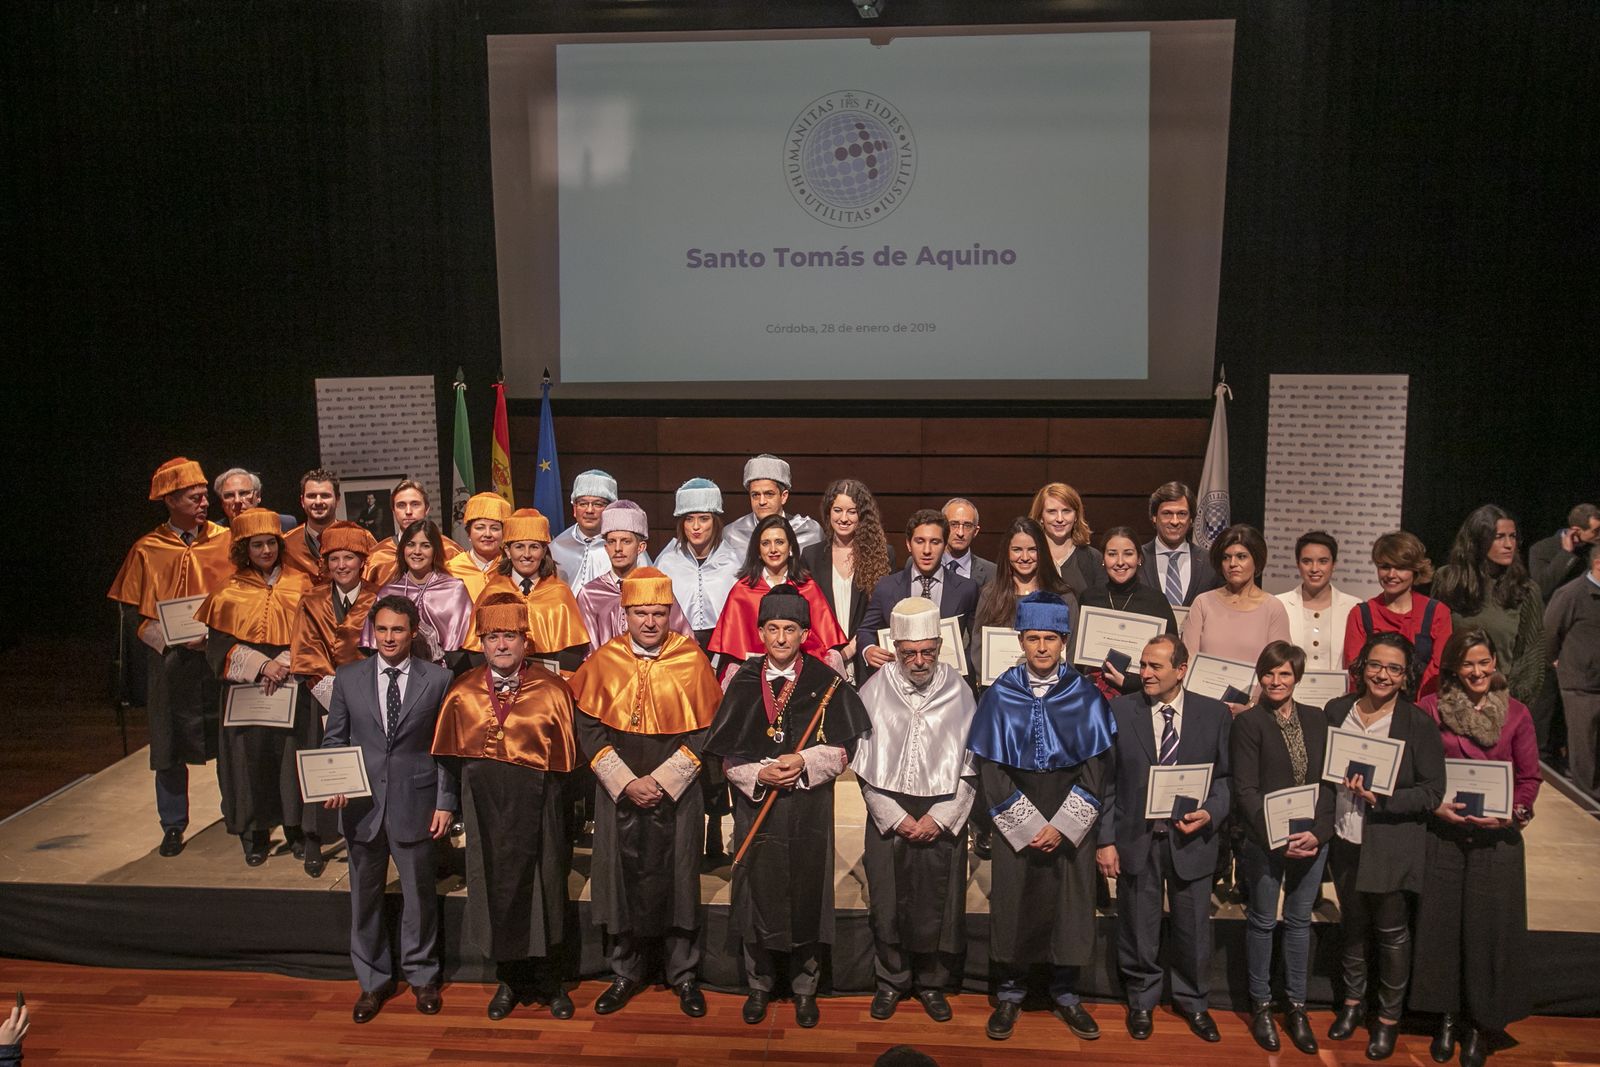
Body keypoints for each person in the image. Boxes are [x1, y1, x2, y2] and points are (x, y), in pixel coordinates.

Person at [702, 584, 871, 1029]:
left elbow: (843, 748)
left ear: (804, 633)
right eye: (772, 629)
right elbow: (727, 753)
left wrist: (802, 762)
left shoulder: (825, 682)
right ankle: (759, 984)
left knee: (807, 893)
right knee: (758, 892)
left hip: (808, 810)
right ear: (759, 632)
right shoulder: (741, 680)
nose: (780, 638)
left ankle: (804, 986)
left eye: (790, 629)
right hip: (756, 809)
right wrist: (757, 773)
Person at [569, 570, 723, 1018]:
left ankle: (683, 974)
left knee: (679, 881)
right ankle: (625, 971)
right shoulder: (604, 659)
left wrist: (663, 781)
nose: (651, 622)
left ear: (669, 614)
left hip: (677, 793)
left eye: (659, 613)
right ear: (625, 614)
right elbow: (589, 727)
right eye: (641, 613)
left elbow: (705, 731)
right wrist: (625, 782)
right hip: (618, 791)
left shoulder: (691, 659)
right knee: (619, 880)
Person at [969, 592, 1116, 1042]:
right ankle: (1011, 993)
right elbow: (990, 769)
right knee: (1015, 906)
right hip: (1018, 818)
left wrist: (1064, 826)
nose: (1041, 648)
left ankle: (1067, 994)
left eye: (1050, 638)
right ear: (1020, 639)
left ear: (1064, 641)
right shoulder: (1000, 694)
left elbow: (1097, 772)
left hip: (1070, 818)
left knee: (1069, 909)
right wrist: (1030, 825)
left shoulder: (1086, 697)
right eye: (1032, 638)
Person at [432, 592, 580, 1022]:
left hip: (542, 805)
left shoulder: (553, 689)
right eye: (493, 636)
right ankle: (510, 979)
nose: (501, 645)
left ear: (525, 641)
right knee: (494, 887)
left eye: (510, 637)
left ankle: (551, 979)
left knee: (546, 885)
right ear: (481, 642)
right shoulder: (462, 692)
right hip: (484, 807)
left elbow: (568, 763)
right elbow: (448, 759)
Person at [322, 595, 456, 1022]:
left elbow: (445, 749)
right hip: (362, 806)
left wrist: (445, 801)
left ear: (412, 632)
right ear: (372, 632)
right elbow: (334, 740)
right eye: (381, 629)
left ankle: (422, 977)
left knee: (419, 897)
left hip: (416, 803)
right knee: (364, 900)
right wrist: (335, 780)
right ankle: (372, 982)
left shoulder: (437, 679)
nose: (389, 637)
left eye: (397, 630)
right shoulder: (348, 677)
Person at [1413, 629, 1541, 1067]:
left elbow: (1529, 779)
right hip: (1444, 833)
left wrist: (1516, 813)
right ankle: (1446, 1018)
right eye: (1468, 664)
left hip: (1496, 840)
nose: (1477, 671)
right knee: (1442, 928)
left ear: (1494, 664)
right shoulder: (1430, 709)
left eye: (1484, 662)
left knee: (1487, 932)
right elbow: (1419, 769)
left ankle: (1479, 1024)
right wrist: (1437, 807)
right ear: (1453, 668)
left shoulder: (1518, 714)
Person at [1098, 634, 1231, 1044]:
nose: (1145, 673)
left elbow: (1226, 780)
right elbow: (1106, 782)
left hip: (1192, 840)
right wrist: (1105, 840)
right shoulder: (1121, 710)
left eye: (1156, 666)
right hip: (1138, 838)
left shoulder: (1214, 714)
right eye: (1143, 665)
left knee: (1193, 929)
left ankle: (1194, 1002)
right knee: (1139, 926)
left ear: (1181, 670)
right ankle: (1142, 1001)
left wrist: (1210, 812)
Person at [854, 597, 978, 1024]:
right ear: (897, 648)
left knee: (938, 906)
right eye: (910, 653)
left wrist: (940, 818)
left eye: (928, 651)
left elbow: (970, 768)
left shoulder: (959, 689)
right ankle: (891, 981)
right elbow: (864, 769)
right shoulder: (873, 691)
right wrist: (896, 817)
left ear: (940, 645)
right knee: (887, 903)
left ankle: (931, 983)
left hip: (941, 816)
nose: (920, 661)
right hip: (891, 818)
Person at [1324, 631, 1447, 1060]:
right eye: (1376, 665)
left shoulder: (1418, 723)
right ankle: (1353, 1005)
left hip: (1391, 843)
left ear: (1406, 676)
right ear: (1362, 667)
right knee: (1352, 927)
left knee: (1392, 933)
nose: (1383, 674)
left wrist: (1386, 798)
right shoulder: (1337, 711)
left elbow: (1433, 792)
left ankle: (1388, 1020)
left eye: (1394, 668)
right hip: (1344, 837)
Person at [108, 457, 233, 857]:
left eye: (203, 496)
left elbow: (241, 596)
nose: (203, 503)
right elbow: (131, 611)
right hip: (171, 662)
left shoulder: (226, 540)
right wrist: (164, 638)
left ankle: (236, 813)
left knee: (229, 739)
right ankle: (173, 824)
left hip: (216, 657)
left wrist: (215, 637)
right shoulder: (147, 549)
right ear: (171, 500)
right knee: (168, 743)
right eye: (194, 497)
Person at [1230, 641, 1336, 1054]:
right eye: (1269, 674)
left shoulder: (1318, 719)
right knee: (1260, 920)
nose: (1276, 681)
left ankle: (1295, 1006)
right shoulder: (1249, 723)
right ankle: (1260, 1005)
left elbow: (1329, 782)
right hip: (1264, 840)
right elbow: (1245, 790)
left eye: (1284, 674)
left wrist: (1321, 832)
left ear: (1297, 677)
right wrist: (1277, 835)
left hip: (1312, 838)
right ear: (1260, 677)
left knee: (1298, 922)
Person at [195, 508, 317, 868]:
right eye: (257, 545)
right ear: (243, 550)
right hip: (245, 690)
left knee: (290, 760)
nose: (265, 551)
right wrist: (261, 665)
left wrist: (283, 662)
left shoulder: (303, 583)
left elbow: (313, 634)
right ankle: (255, 835)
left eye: (271, 544)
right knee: (249, 763)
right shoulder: (228, 592)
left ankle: (296, 830)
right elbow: (217, 645)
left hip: (292, 682)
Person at [1433, 505, 1547, 705]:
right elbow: (1434, 639)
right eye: (1499, 537)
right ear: (1477, 540)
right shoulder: (1447, 580)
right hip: (1450, 698)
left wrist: (1508, 701)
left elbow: (1532, 655)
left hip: (1500, 701)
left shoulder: (1525, 590)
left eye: (1513, 537)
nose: (1509, 544)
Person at [710, 514, 847, 672]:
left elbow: (823, 643)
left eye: (780, 542)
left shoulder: (807, 588)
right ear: (758, 550)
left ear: (790, 548)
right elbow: (732, 653)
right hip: (754, 678)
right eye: (766, 543)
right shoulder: (742, 592)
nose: (773, 549)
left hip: (802, 676)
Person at [1182, 524, 1292, 714]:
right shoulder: (1202, 603)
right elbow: (1187, 660)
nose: (1233, 564)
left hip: (1253, 714)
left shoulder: (1273, 608)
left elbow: (1278, 667)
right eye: (1226, 557)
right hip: (1203, 710)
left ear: (1256, 560)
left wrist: (1251, 707)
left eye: (1241, 557)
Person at [859, 509, 981, 678]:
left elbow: (977, 640)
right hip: (899, 683)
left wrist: (962, 665)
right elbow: (865, 630)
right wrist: (868, 650)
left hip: (948, 682)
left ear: (945, 546)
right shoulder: (886, 587)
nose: (926, 550)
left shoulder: (966, 588)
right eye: (919, 541)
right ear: (908, 544)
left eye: (935, 542)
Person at [1343, 530, 1455, 700]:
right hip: (1372, 706)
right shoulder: (1362, 613)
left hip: (1422, 708)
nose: (1391, 575)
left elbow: (1439, 668)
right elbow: (1355, 669)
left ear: (1415, 571)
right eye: (1385, 567)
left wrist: (1414, 707)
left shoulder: (1436, 612)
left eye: (1401, 567)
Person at [802, 478, 894, 679]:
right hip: (823, 662)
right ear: (828, 511)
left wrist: (853, 648)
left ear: (863, 516)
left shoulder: (883, 554)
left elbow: (881, 613)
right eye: (837, 510)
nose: (844, 518)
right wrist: (833, 656)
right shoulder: (811, 556)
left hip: (866, 662)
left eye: (852, 511)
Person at [967, 517, 1078, 683]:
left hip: (1051, 692)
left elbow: (1071, 651)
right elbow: (978, 648)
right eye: (1017, 550)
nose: (1025, 557)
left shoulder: (1062, 596)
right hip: (1002, 692)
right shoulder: (990, 594)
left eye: (1032, 549)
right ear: (1007, 552)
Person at [478, 508, 589, 670]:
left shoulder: (560, 592)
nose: (527, 554)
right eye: (519, 547)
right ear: (508, 551)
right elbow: (477, 648)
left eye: (534, 547)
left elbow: (572, 651)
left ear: (544, 551)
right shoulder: (492, 591)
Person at [290, 521, 378, 723]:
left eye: (349, 557)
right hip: (322, 698)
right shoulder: (311, 600)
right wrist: (338, 699)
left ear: (362, 561)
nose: (341, 565)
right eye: (334, 559)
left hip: (372, 697)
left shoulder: (380, 598)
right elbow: (307, 652)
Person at [576, 501, 693, 652]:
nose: (618, 548)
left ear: (641, 547)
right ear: (606, 547)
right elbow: (588, 655)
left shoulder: (657, 587)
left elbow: (684, 644)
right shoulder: (590, 594)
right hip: (607, 672)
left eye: (626, 541)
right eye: (612, 541)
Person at [1080, 526, 1178, 700]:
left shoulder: (1156, 601)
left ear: (1139, 558)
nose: (1120, 562)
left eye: (1128, 553)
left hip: (1142, 698)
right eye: (1112, 554)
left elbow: (1172, 659)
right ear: (1103, 559)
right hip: (1092, 698)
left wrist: (1131, 683)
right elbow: (1077, 659)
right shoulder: (1089, 598)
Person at [364, 519, 474, 668]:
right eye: (411, 544)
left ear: (435, 550)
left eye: (425, 546)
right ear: (403, 549)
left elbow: (465, 648)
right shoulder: (388, 592)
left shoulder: (455, 589)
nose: (417, 551)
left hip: (447, 675)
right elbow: (375, 647)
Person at [655, 478, 743, 647]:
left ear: (715, 522)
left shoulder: (734, 562)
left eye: (703, 519)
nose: (696, 527)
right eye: (689, 519)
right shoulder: (667, 563)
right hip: (676, 646)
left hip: (723, 645)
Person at [1543, 546, 1600, 795]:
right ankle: (1588, 803)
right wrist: (1555, 660)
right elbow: (1549, 632)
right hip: (1581, 684)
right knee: (1584, 747)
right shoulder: (1572, 594)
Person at [1276, 530, 1362, 674]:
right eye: (1307, 561)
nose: (1314, 569)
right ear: (1298, 564)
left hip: (1340, 693)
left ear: (1333, 564)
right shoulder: (1279, 604)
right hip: (1292, 692)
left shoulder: (1353, 607)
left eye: (1323, 561)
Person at [720, 453, 824, 560]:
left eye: (769, 494)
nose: (762, 501)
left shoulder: (809, 532)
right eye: (755, 495)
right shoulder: (733, 534)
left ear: (783, 496)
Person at [363, 479, 464, 586]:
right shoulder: (377, 556)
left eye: (415, 504)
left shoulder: (451, 551)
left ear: (427, 509)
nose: (408, 512)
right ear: (393, 510)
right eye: (401, 505)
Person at [1139, 481, 1221, 607]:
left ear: (1191, 519)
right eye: (1167, 513)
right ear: (1154, 517)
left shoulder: (1210, 561)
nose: (1175, 521)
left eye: (1182, 514)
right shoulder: (1136, 558)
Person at [551, 469, 625, 592]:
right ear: (574, 509)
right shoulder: (556, 547)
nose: (589, 510)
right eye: (583, 504)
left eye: (598, 504)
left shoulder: (626, 547)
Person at [1029, 482, 1104, 597]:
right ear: (1041, 517)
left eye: (1066, 511)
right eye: (1052, 512)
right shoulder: (1028, 556)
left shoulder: (1093, 558)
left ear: (1076, 516)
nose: (1060, 519)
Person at [446, 491, 514, 600]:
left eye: (494, 528)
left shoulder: (513, 567)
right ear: (469, 533)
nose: (487, 534)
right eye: (480, 528)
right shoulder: (451, 570)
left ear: (504, 533)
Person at [1527, 502, 1600, 600]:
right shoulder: (1541, 549)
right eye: (1596, 531)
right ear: (1576, 530)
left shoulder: (1595, 546)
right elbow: (1542, 588)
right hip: (1562, 609)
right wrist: (1566, 553)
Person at [281, 468, 340, 582]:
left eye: (325, 496)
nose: (318, 502)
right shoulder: (286, 545)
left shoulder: (361, 538)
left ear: (337, 500)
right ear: (302, 501)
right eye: (312, 496)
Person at [214, 466, 296, 530]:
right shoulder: (214, 533)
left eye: (243, 493)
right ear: (221, 501)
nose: (237, 500)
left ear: (258, 496)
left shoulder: (284, 524)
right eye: (229, 495)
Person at [942, 497, 995, 587]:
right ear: (942, 527)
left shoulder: (992, 573)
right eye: (954, 524)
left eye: (967, 526)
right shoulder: (922, 563)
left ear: (975, 531)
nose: (960, 533)